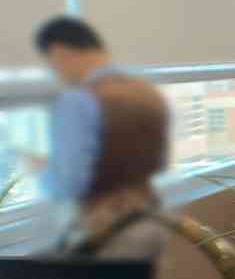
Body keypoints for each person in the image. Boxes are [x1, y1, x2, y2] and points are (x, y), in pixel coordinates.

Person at [32, 16, 169, 257]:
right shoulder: (147, 92)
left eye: (51, 65)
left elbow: (70, 184)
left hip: (106, 231)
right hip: (150, 219)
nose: (56, 74)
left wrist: (41, 170)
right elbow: (158, 161)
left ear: (60, 52)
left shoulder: (77, 101)